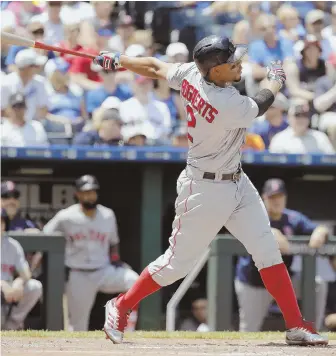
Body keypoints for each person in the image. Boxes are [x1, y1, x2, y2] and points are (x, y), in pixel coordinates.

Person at [94, 35, 328, 346]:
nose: (239, 64)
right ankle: (121, 306)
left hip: (236, 181)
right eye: (233, 63)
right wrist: (276, 79)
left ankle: (296, 325)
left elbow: (153, 66)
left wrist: (120, 59)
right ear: (215, 71)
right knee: (176, 264)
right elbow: (262, 103)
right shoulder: (226, 102)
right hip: (203, 188)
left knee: (267, 249)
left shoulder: (193, 72)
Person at [42, 175, 139, 331]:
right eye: (85, 192)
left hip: (104, 270)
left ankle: (125, 329)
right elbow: (45, 234)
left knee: (134, 281)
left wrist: (116, 260)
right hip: (79, 274)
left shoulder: (107, 215)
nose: (89, 196)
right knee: (78, 326)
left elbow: (114, 243)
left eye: (92, 192)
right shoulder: (66, 216)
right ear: (78, 194)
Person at [235, 179, 330, 332]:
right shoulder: (255, 215)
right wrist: (270, 233)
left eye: (279, 196)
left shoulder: (292, 218)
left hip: (283, 279)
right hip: (254, 282)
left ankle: (314, 330)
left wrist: (320, 232)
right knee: (249, 330)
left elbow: (319, 228)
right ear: (264, 198)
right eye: (272, 197)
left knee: (317, 284)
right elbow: (246, 227)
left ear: (285, 197)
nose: (276, 201)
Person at [1, 208, 43, 330]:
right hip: (3, 289)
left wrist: (18, 282)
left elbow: (25, 272)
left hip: (9, 294)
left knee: (34, 287)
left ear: (4, 225)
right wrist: (2, 284)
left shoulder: (12, 245)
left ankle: (12, 325)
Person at [119, 75, 172, 143]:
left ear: (152, 85)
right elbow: (121, 131)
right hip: (132, 146)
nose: (145, 87)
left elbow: (167, 131)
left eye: (148, 83)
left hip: (155, 147)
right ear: (134, 85)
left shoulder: (162, 107)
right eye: (142, 84)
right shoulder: (124, 106)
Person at [269, 100, 335, 154]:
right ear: (289, 118)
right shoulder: (280, 139)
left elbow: (330, 161)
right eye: (297, 115)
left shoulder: (320, 137)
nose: (301, 119)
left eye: (305, 115)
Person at [1, 49, 49, 122]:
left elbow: (43, 110)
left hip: (33, 126)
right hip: (9, 126)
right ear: (26, 67)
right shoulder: (5, 83)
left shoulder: (40, 82)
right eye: (36, 66)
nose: (39, 68)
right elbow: (2, 111)